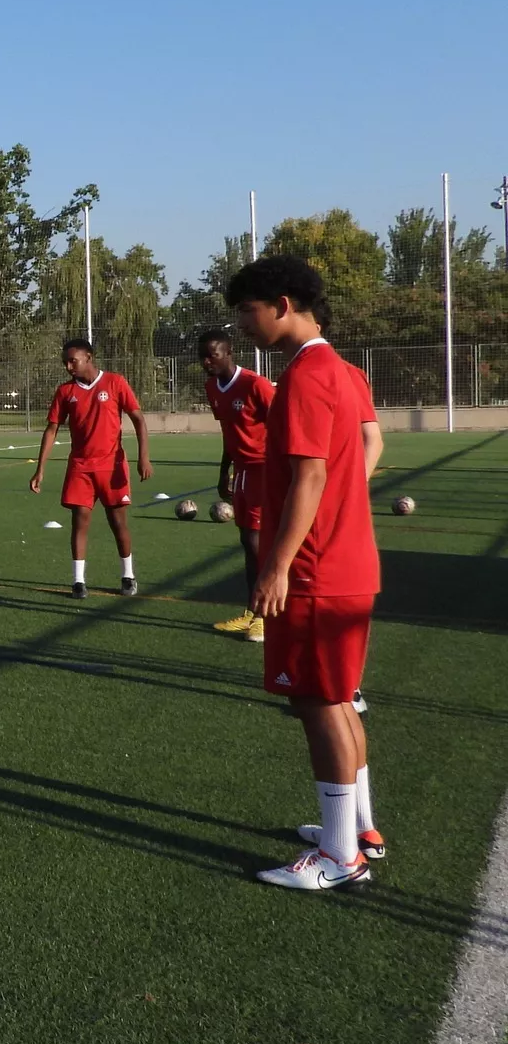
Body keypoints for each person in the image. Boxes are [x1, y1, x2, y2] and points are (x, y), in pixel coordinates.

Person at [227, 256, 386, 888]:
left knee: (317, 702)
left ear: (283, 304)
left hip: (319, 569)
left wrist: (276, 565)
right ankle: (354, 832)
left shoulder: (306, 376)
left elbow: (311, 475)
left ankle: (339, 859)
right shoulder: (343, 371)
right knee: (338, 698)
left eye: (248, 310)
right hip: (347, 561)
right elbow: (363, 453)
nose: (243, 323)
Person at [29, 338, 152, 596]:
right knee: (79, 522)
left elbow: (139, 420)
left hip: (112, 465)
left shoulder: (115, 382)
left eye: (72, 360)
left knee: (118, 523)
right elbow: (51, 430)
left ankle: (128, 576)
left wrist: (144, 457)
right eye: (65, 362)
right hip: (80, 467)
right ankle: (78, 582)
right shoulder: (65, 392)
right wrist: (40, 469)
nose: (68, 366)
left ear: (89, 356)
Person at [199, 329, 276, 641]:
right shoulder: (213, 387)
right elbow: (229, 434)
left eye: (213, 355)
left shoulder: (254, 384)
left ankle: (265, 617)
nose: (207, 362)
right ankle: (251, 611)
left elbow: (283, 425)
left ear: (228, 353)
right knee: (248, 541)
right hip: (243, 471)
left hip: (265, 470)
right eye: (202, 357)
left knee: (258, 541)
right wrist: (223, 473)